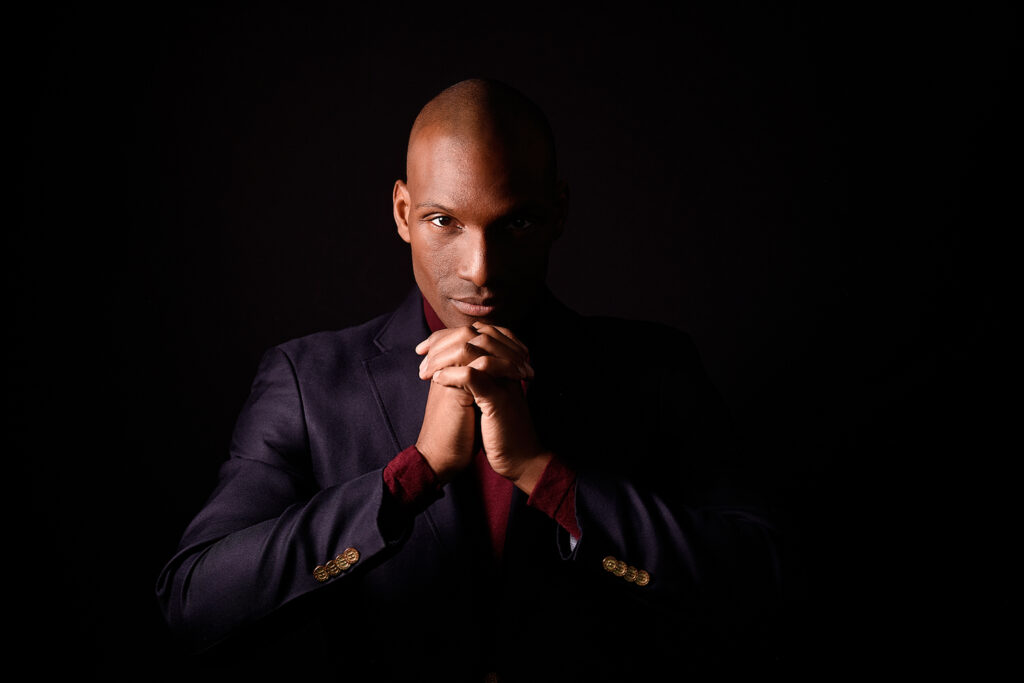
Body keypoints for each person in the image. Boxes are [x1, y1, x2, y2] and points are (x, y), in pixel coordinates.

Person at [156, 78, 783, 682]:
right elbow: (195, 604)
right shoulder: (306, 381)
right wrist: (411, 477)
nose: (480, 270)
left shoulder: (657, 368)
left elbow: (763, 590)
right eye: (442, 221)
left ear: (558, 212)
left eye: (516, 224)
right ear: (402, 212)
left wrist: (546, 475)